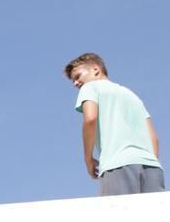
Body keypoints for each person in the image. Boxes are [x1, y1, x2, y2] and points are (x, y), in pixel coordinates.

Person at [64, 53, 164, 196]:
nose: (75, 83)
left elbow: (90, 119)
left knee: (116, 216)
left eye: (78, 76)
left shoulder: (90, 87)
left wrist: (88, 158)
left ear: (95, 69)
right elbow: (153, 138)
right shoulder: (132, 96)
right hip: (152, 168)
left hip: (118, 164)